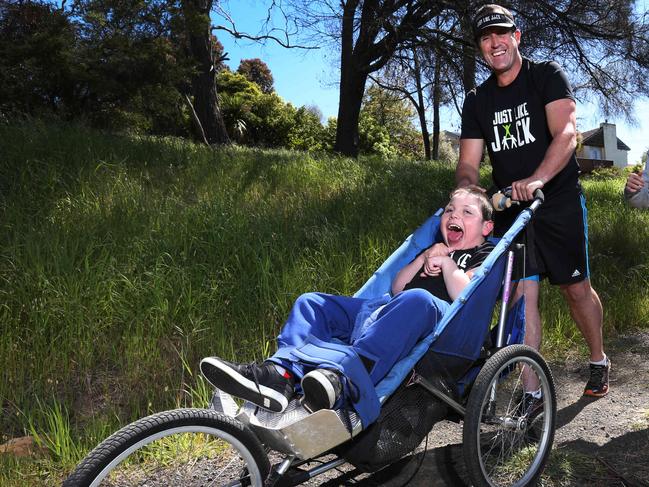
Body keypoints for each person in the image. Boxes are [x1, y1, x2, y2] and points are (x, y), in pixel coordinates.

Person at [200, 188, 495, 414]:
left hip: (438, 323)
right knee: (311, 302)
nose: (454, 216)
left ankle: (345, 381)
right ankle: (281, 375)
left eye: (467, 213)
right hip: (386, 310)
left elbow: (464, 292)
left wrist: (446, 264)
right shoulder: (434, 248)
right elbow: (397, 286)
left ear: (486, 229)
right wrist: (423, 257)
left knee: (417, 299)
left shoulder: (484, 255)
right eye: (449, 210)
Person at [455, 3, 610, 398]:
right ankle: (533, 394)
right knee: (523, 298)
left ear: (517, 37)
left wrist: (538, 178)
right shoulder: (477, 101)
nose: (495, 43)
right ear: (481, 49)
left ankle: (598, 360)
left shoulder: (546, 76)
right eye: (486, 38)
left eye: (501, 34)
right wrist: (468, 196)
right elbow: (469, 166)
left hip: (556, 200)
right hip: (511, 209)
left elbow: (567, 134)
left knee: (576, 290)